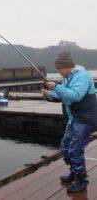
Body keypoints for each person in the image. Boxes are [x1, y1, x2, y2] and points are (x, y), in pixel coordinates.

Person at [42, 51, 97, 193]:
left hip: (87, 118)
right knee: (65, 148)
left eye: (59, 69)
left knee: (75, 150)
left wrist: (56, 87)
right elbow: (64, 93)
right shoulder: (67, 77)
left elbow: (76, 95)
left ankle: (82, 180)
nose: (58, 72)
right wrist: (50, 93)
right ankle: (75, 170)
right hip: (74, 118)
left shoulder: (82, 76)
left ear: (67, 67)